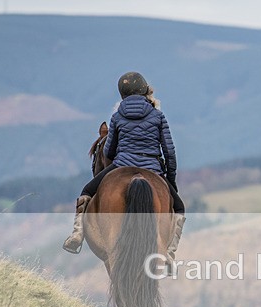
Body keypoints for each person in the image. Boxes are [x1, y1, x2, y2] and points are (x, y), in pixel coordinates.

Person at [63, 71, 185, 265]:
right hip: (152, 167)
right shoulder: (158, 116)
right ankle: (169, 254)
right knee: (179, 208)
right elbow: (169, 152)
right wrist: (170, 180)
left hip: (121, 164)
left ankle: (77, 234)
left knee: (86, 192)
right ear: (145, 91)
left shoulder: (117, 116)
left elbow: (109, 151)